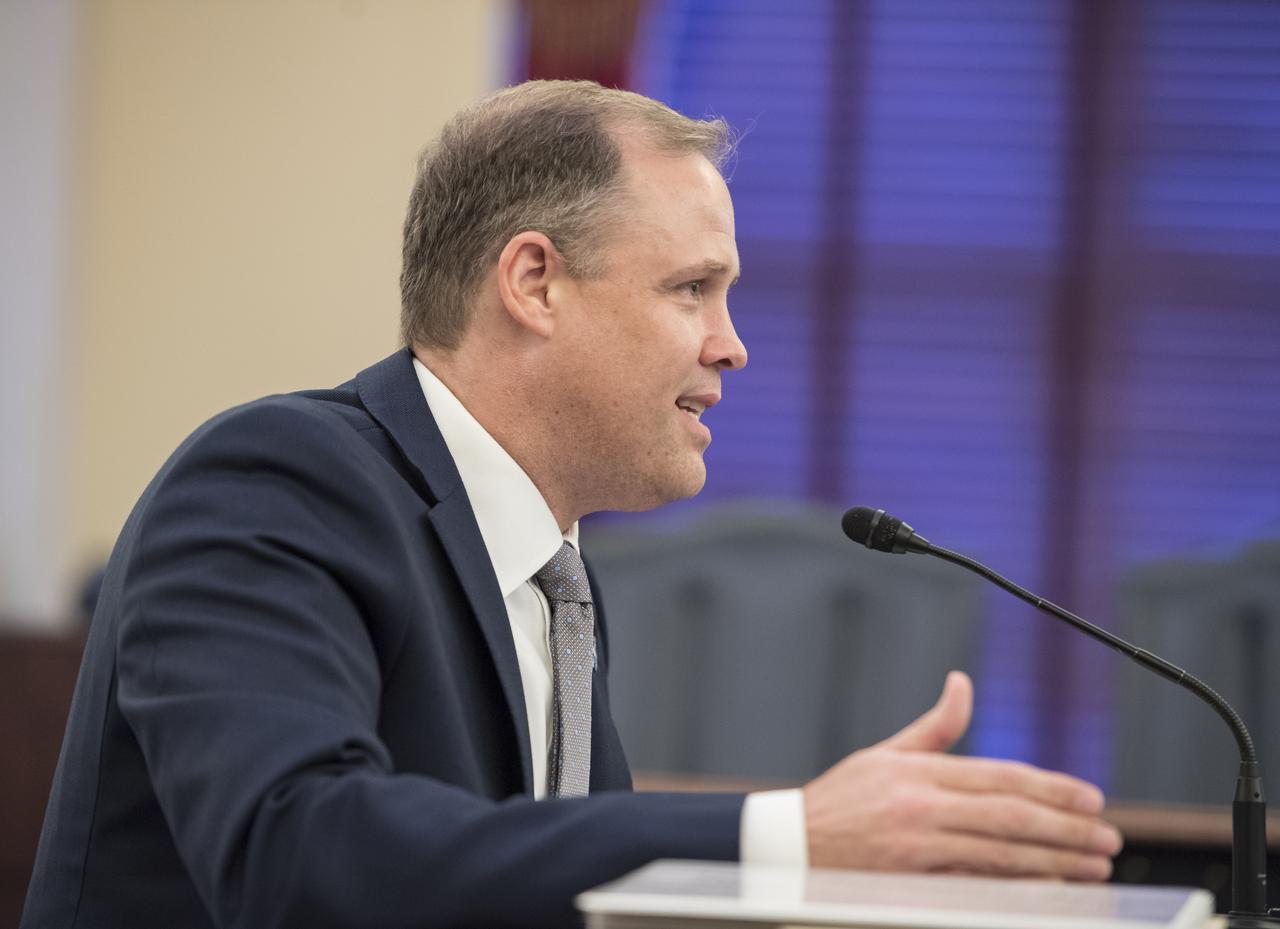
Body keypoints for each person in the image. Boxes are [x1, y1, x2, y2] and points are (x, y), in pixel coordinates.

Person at [23, 81, 1121, 929]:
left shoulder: (554, 568)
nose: (730, 345)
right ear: (533, 281)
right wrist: (790, 832)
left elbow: (544, 889)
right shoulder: (276, 481)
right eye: (691, 288)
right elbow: (298, 851)